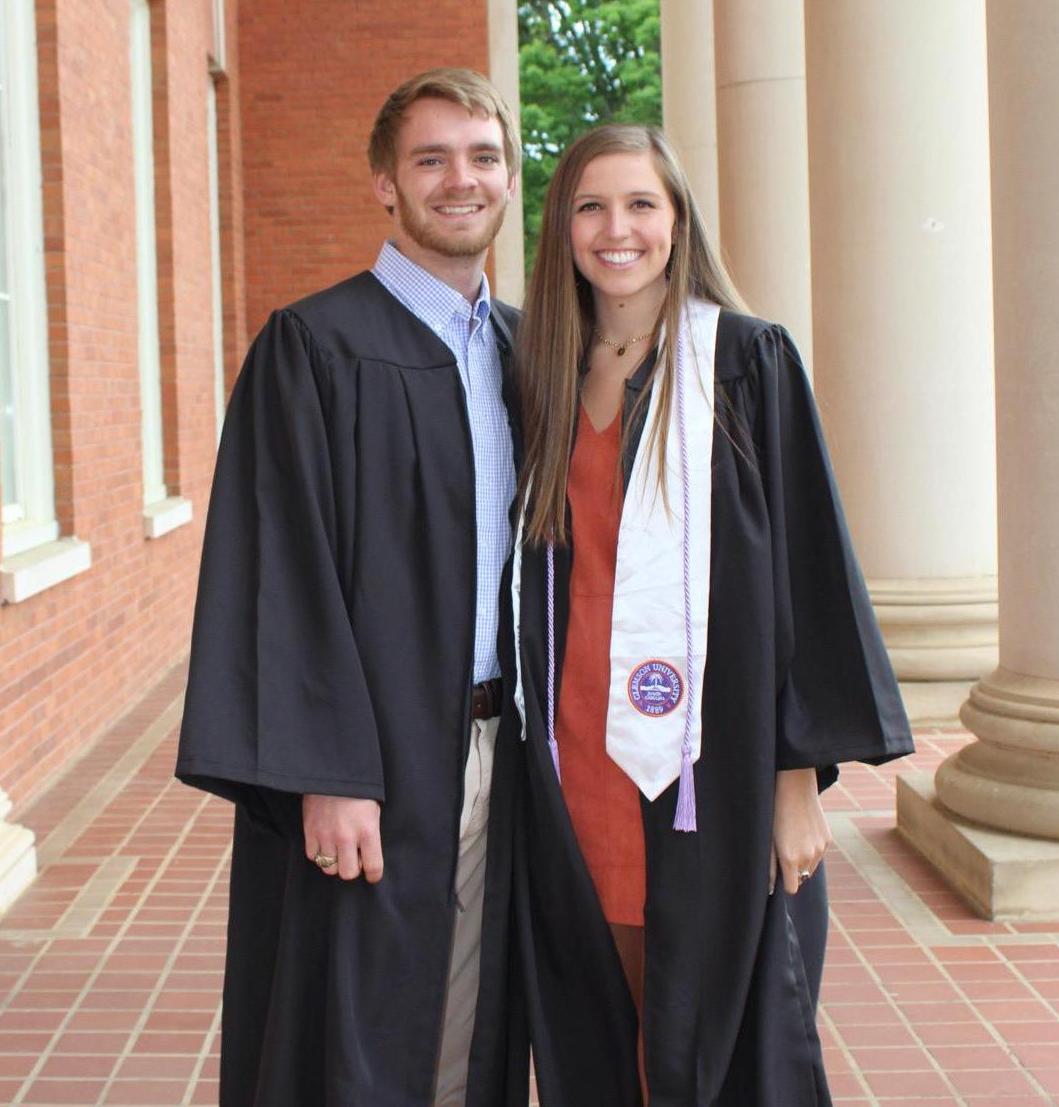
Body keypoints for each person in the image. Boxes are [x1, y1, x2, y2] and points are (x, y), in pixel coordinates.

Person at [502, 123, 914, 1105]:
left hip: (706, 767)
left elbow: (806, 581)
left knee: (720, 1038)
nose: (617, 229)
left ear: (679, 221)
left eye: (641, 204)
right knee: (602, 1025)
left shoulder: (744, 361)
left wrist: (793, 779)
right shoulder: (540, 378)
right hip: (569, 760)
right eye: (591, 206)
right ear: (560, 227)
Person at [175, 68, 531, 1106]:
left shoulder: (528, 349)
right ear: (385, 184)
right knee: (351, 1026)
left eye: (481, 157)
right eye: (430, 159)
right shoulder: (315, 345)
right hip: (370, 759)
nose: (458, 180)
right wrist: (327, 770)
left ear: (508, 180)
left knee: (472, 1017)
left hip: (505, 748)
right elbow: (277, 569)